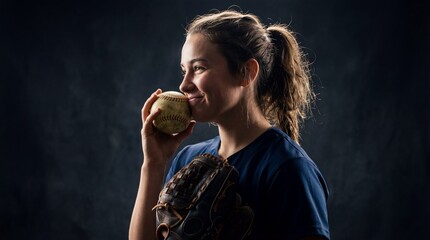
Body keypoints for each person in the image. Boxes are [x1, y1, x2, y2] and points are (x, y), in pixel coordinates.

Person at [129, 9, 330, 240]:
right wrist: (154, 164)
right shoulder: (188, 159)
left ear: (246, 73)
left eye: (198, 68)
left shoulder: (288, 168)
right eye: (184, 70)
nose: (184, 85)